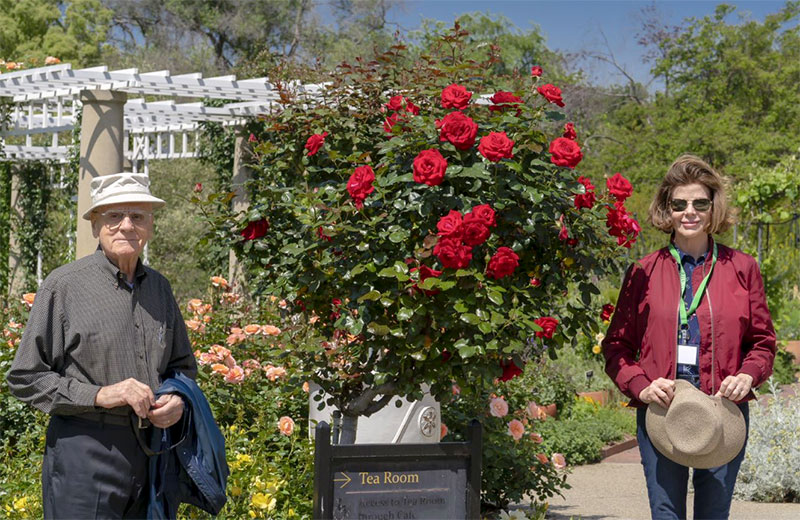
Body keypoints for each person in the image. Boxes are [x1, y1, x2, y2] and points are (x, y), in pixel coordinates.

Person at [6, 172, 197, 519]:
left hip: (153, 457)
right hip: (85, 453)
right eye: (114, 216)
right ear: (95, 225)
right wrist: (99, 395)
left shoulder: (160, 289)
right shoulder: (64, 286)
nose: (127, 226)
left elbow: (182, 366)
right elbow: (24, 378)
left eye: (137, 216)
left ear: (150, 226)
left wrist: (179, 400)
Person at [602, 155, 776, 519]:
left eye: (700, 203)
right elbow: (616, 346)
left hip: (721, 413)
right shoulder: (643, 272)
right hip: (664, 413)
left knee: (714, 515)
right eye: (679, 204)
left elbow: (762, 342)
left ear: (714, 206)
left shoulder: (743, 269)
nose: (689, 212)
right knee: (666, 514)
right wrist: (640, 386)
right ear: (667, 209)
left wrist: (747, 375)